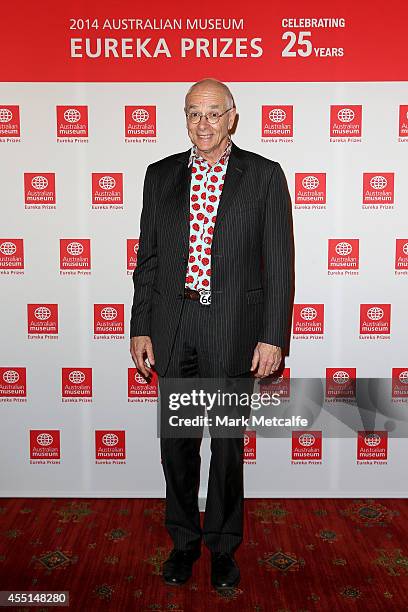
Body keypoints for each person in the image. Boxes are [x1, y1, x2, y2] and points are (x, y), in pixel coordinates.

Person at [130, 78, 294, 591]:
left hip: (232, 331)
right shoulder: (160, 176)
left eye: (213, 113)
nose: (203, 124)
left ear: (233, 118)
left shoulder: (264, 176)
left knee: (225, 448)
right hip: (173, 331)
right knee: (176, 446)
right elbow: (149, 262)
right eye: (193, 114)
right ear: (185, 118)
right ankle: (183, 541)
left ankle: (223, 547)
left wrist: (273, 336)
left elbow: (280, 266)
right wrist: (140, 326)